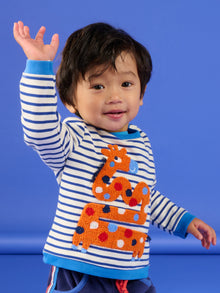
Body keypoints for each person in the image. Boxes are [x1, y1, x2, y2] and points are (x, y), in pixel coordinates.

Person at [13, 21, 216, 293]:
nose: (115, 96)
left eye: (126, 83)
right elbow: (40, 131)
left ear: (141, 93)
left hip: (132, 273)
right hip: (79, 271)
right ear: (70, 101)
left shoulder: (141, 142)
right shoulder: (73, 139)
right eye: (98, 86)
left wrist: (184, 221)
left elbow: (144, 198)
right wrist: (39, 67)